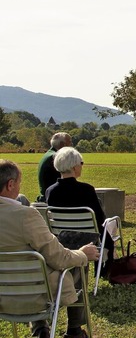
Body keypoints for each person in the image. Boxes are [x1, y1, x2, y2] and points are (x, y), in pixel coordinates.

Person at [0, 159, 99, 338]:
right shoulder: (26, 215)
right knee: (79, 261)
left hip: (3, 296)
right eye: (19, 182)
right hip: (35, 295)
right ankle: (75, 330)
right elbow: (59, 258)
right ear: (10, 184)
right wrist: (83, 253)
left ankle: (40, 329)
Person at [46, 147, 114, 269]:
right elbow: (99, 218)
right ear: (74, 167)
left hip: (62, 237)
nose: (82, 166)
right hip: (88, 237)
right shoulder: (87, 190)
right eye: (81, 163)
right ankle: (105, 270)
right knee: (108, 237)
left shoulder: (50, 191)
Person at [37, 132, 72, 201]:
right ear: (63, 144)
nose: (71, 145)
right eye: (70, 142)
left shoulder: (48, 154)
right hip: (53, 198)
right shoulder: (56, 157)